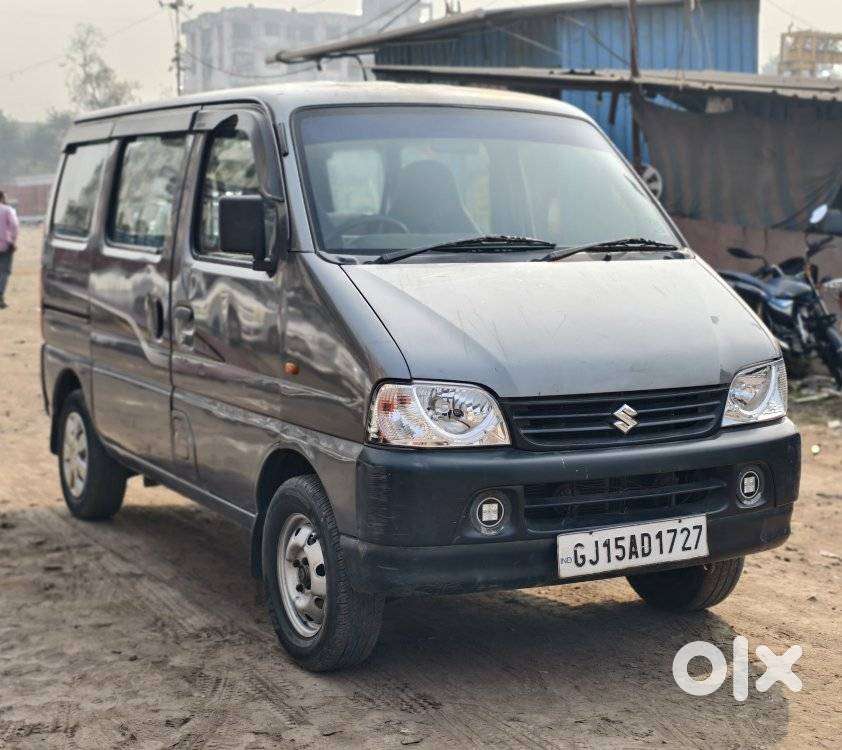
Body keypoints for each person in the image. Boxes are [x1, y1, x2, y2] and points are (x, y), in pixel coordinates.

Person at [0, 190, 19, 309]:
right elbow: (14, 226)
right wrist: (13, 241)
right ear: (1, 197)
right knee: (4, 271)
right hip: (5, 245)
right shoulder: (7, 210)